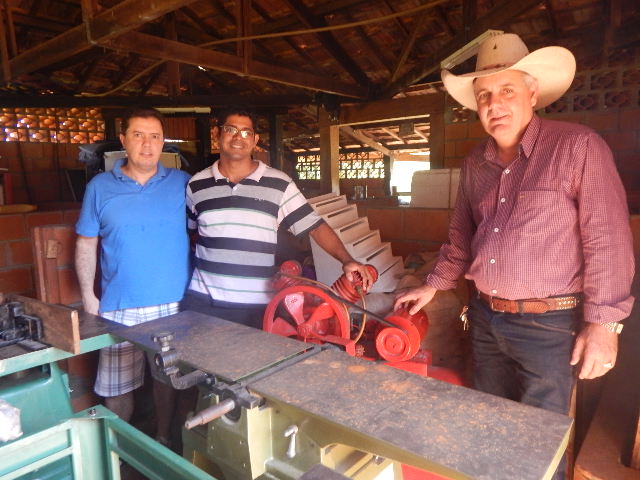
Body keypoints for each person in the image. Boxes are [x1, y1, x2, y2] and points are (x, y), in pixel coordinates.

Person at [395, 33, 634, 478]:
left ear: (532, 93)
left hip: (550, 327)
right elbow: (461, 237)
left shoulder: (577, 147)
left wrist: (604, 323)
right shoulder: (475, 164)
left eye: (507, 90)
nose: (494, 104)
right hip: (486, 319)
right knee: (492, 429)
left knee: (540, 446)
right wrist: (432, 285)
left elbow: (608, 239)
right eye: (484, 95)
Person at [181, 107, 374, 327]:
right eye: (230, 129)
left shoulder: (279, 183)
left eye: (246, 132)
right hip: (204, 301)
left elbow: (314, 226)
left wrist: (347, 260)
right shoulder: (196, 184)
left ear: (255, 140)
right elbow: (191, 233)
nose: (238, 137)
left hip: (256, 305)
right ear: (217, 134)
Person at [75, 107, 190, 446]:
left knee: (166, 380)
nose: (147, 144)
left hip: (173, 305)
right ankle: (118, 447)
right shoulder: (100, 187)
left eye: (155, 136)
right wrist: (88, 298)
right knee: (117, 386)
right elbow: (85, 243)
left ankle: (164, 438)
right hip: (118, 306)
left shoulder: (182, 183)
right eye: (138, 135)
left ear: (163, 143)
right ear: (124, 140)